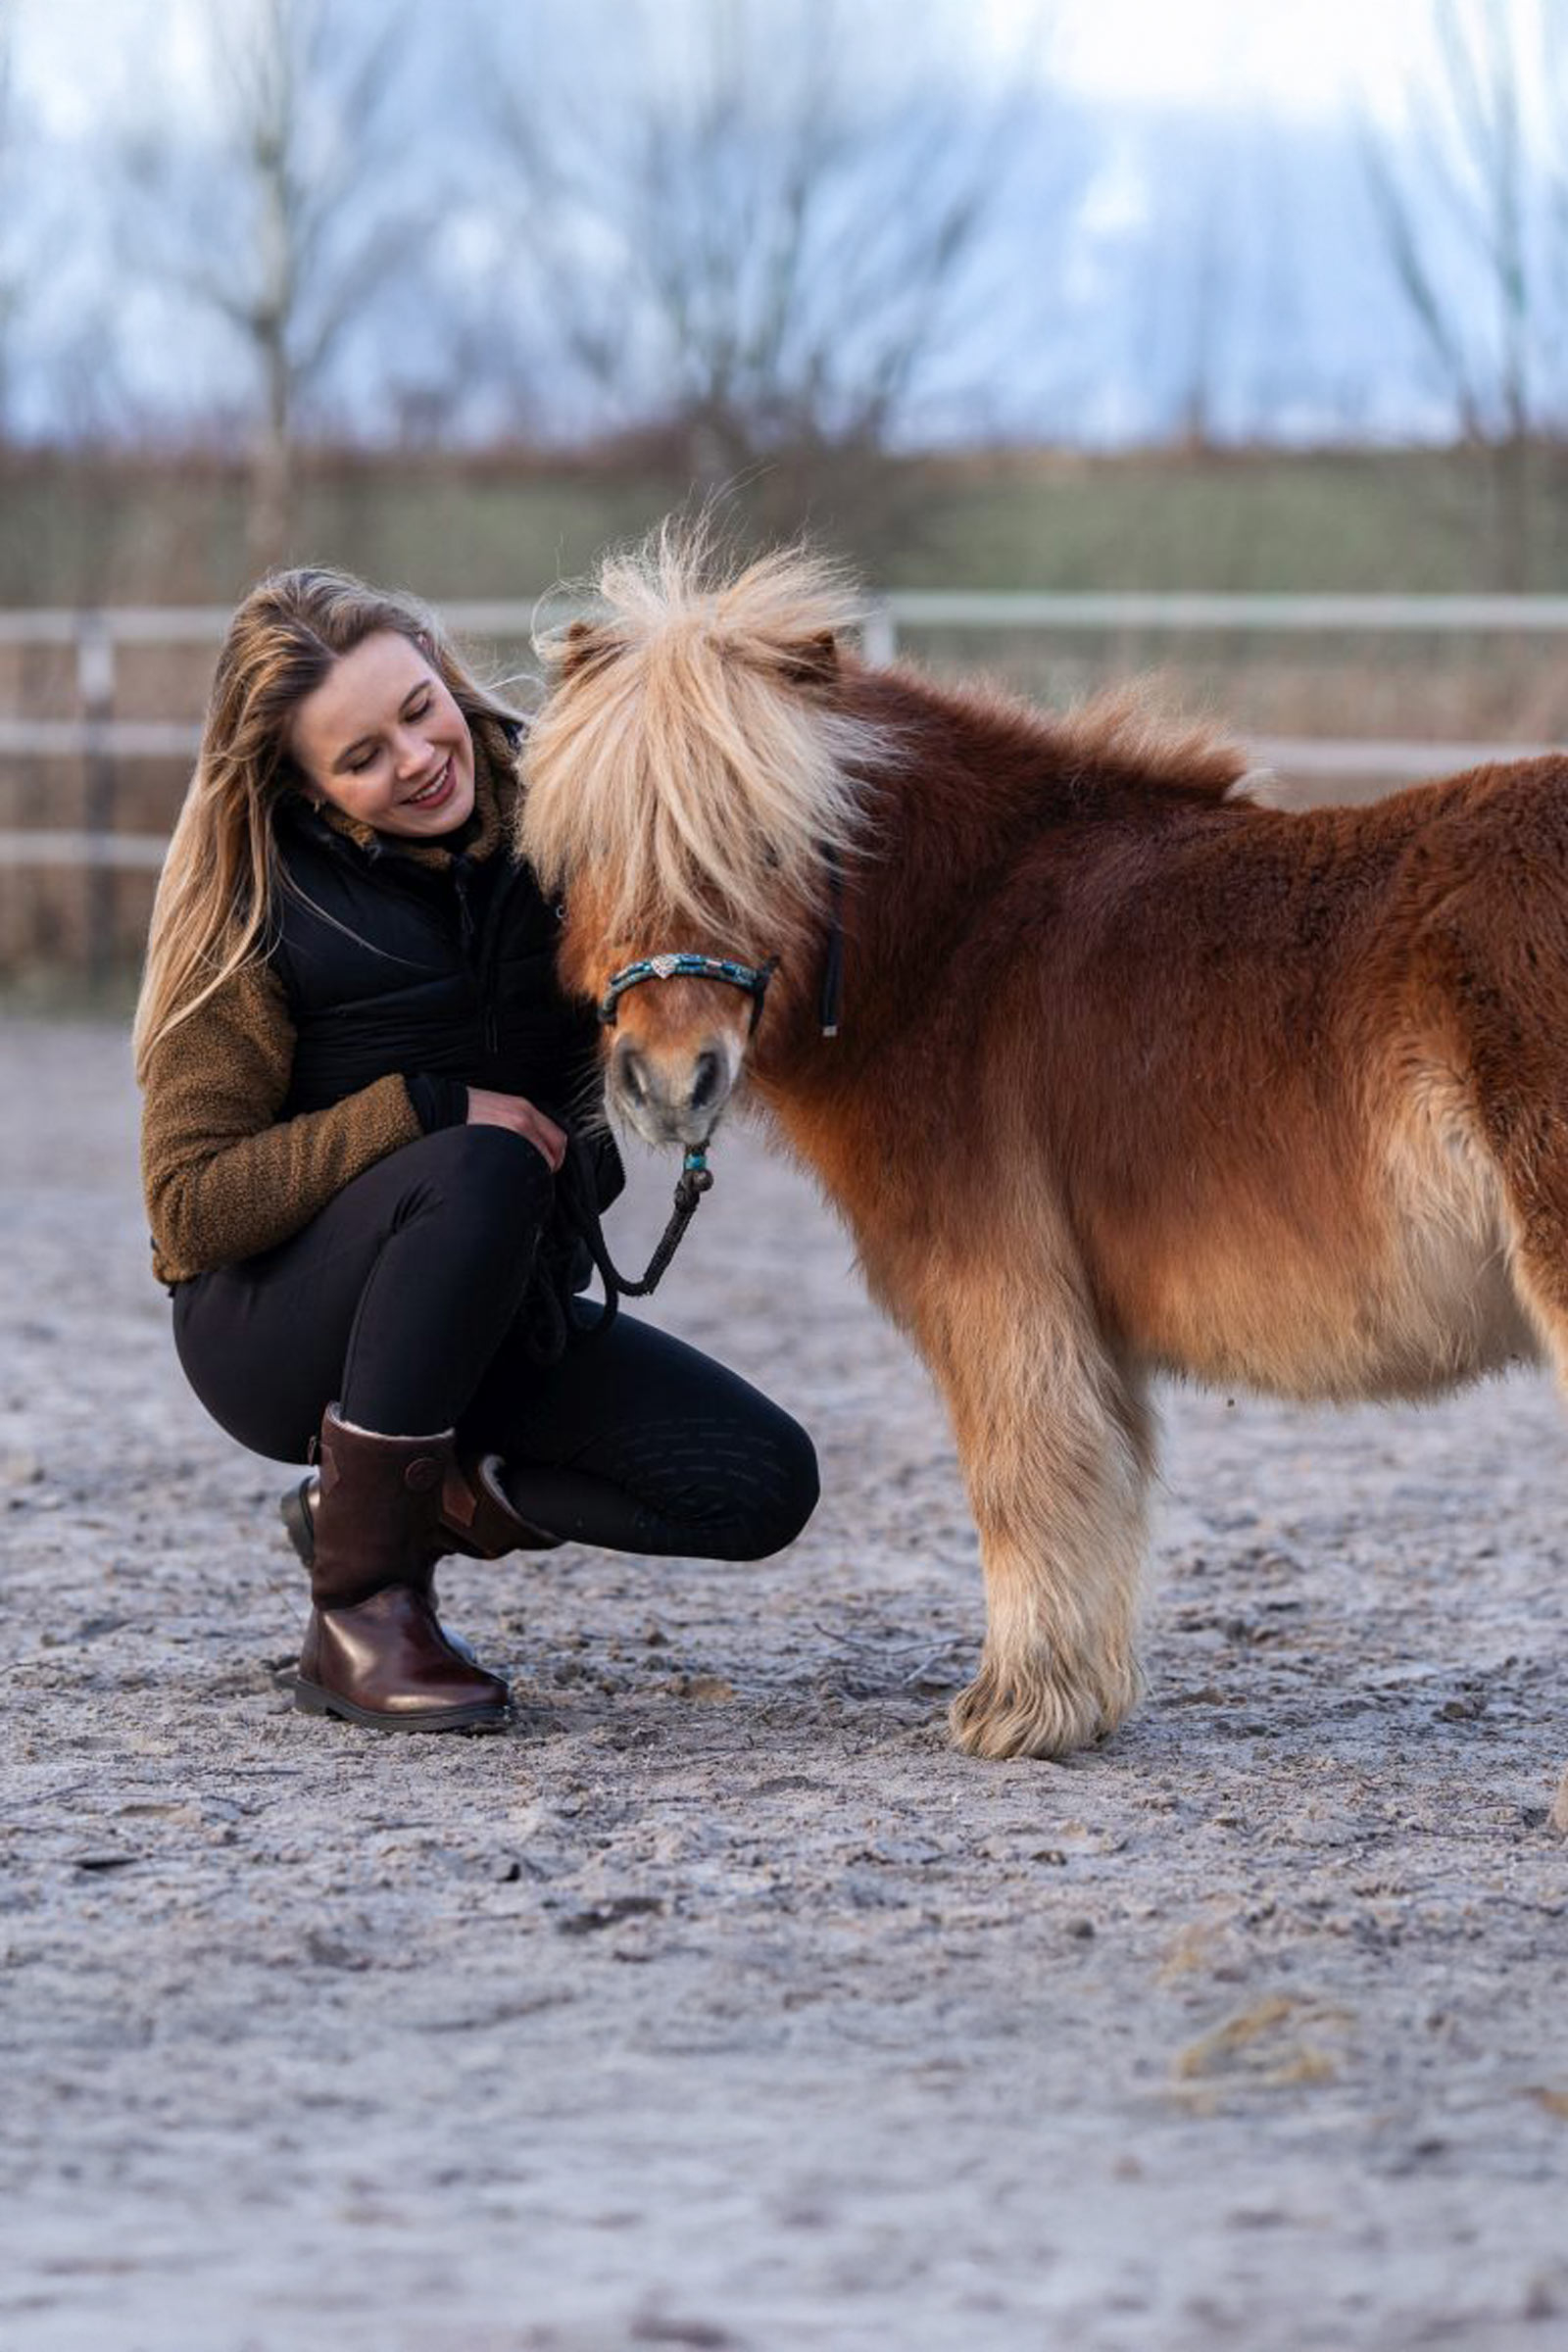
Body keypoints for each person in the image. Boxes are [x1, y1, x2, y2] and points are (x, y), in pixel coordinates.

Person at [133, 566, 818, 1735]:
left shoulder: (566, 830)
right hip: (278, 1329)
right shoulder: (253, 903)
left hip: (497, 1305)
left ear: (441, 670)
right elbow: (190, 1213)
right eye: (359, 757)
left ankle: (417, 1498)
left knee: (758, 1484)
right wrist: (425, 1109)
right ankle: (359, 1612)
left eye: (416, 707)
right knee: (478, 1158)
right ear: (302, 785)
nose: (414, 757)